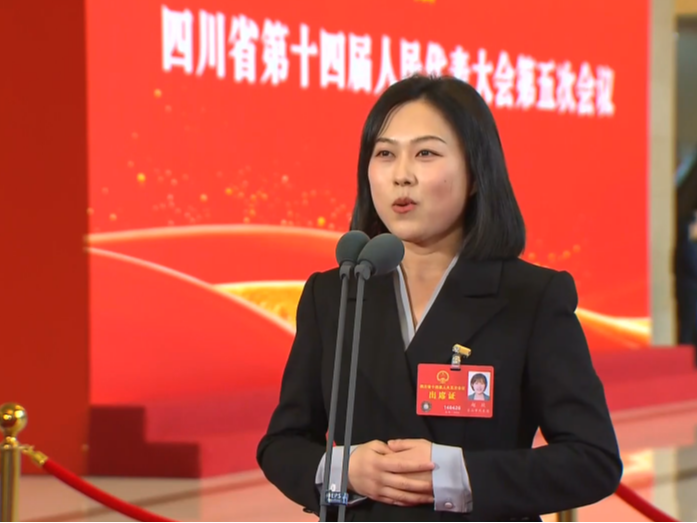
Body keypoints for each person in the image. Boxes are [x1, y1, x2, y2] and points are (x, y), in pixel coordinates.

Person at [256, 74, 622, 522]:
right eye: (385, 154)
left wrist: (458, 476)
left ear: (475, 174)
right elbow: (283, 444)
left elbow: (592, 459)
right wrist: (342, 470)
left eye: (425, 153)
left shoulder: (530, 297)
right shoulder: (334, 293)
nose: (401, 175)